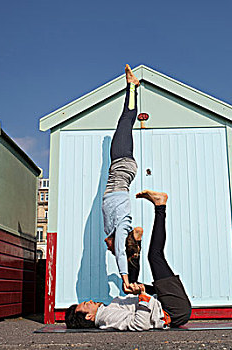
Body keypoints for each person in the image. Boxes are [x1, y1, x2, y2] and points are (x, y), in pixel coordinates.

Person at [66, 190, 192, 331]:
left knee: (128, 286)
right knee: (155, 256)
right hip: (174, 310)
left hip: (169, 306)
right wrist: (142, 296)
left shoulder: (107, 312)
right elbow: (139, 324)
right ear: (88, 316)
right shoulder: (108, 317)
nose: (89, 301)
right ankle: (160, 205)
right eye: (85, 304)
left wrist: (140, 290)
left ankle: (134, 250)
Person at [102, 64, 144, 293]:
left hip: (120, 169)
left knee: (124, 123)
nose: (107, 246)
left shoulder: (114, 228)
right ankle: (131, 86)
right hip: (122, 167)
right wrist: (125, 280)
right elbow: (121, 251)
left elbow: (127, 244)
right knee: (126, 121)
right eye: (110, 248)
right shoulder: (121, 228)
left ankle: (131, 87)